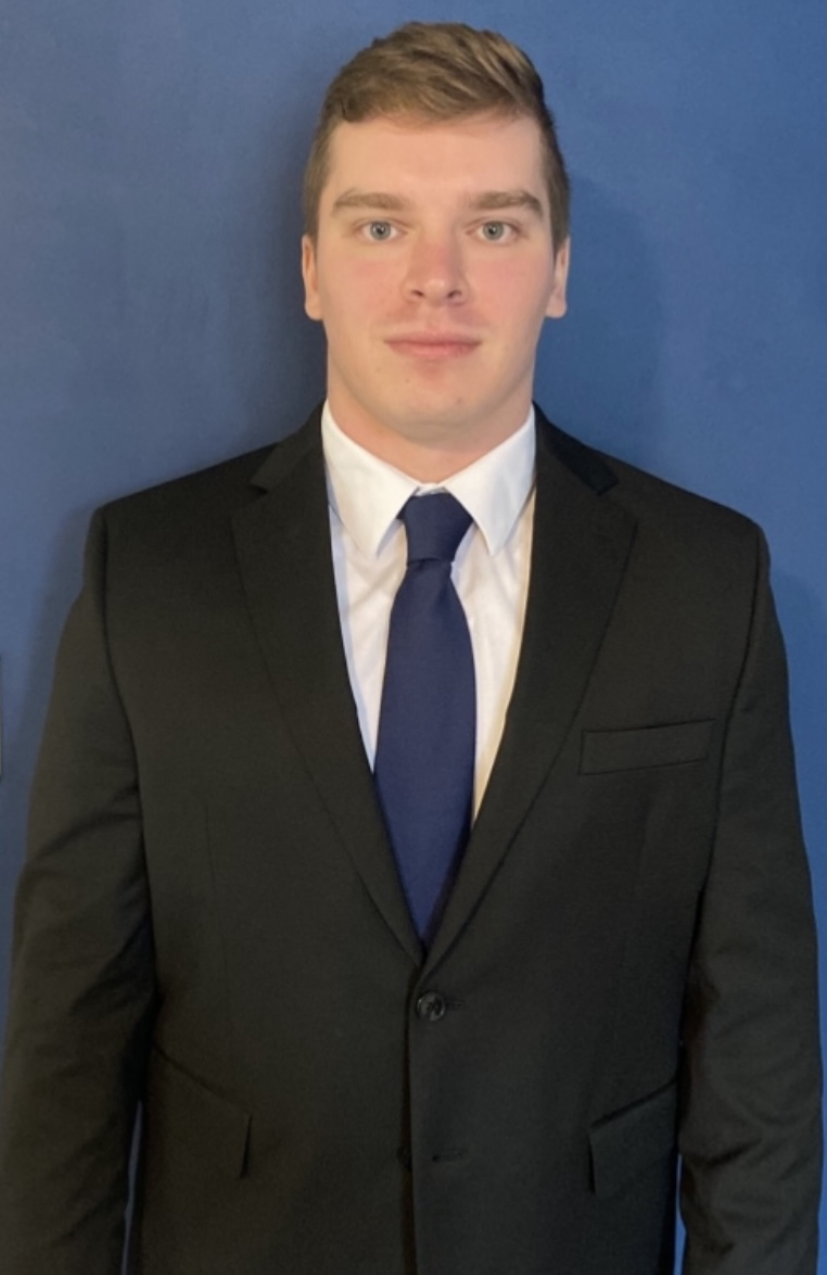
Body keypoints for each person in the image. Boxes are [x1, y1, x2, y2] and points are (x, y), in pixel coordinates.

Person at [0, 20, 821, 1275]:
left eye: (492, 226)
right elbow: (69, 1035)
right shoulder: (145, 577)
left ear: (554, 267)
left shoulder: (702, 584)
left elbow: (755, 1042)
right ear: (311, 268)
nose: (435, 279)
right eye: (380, 225)